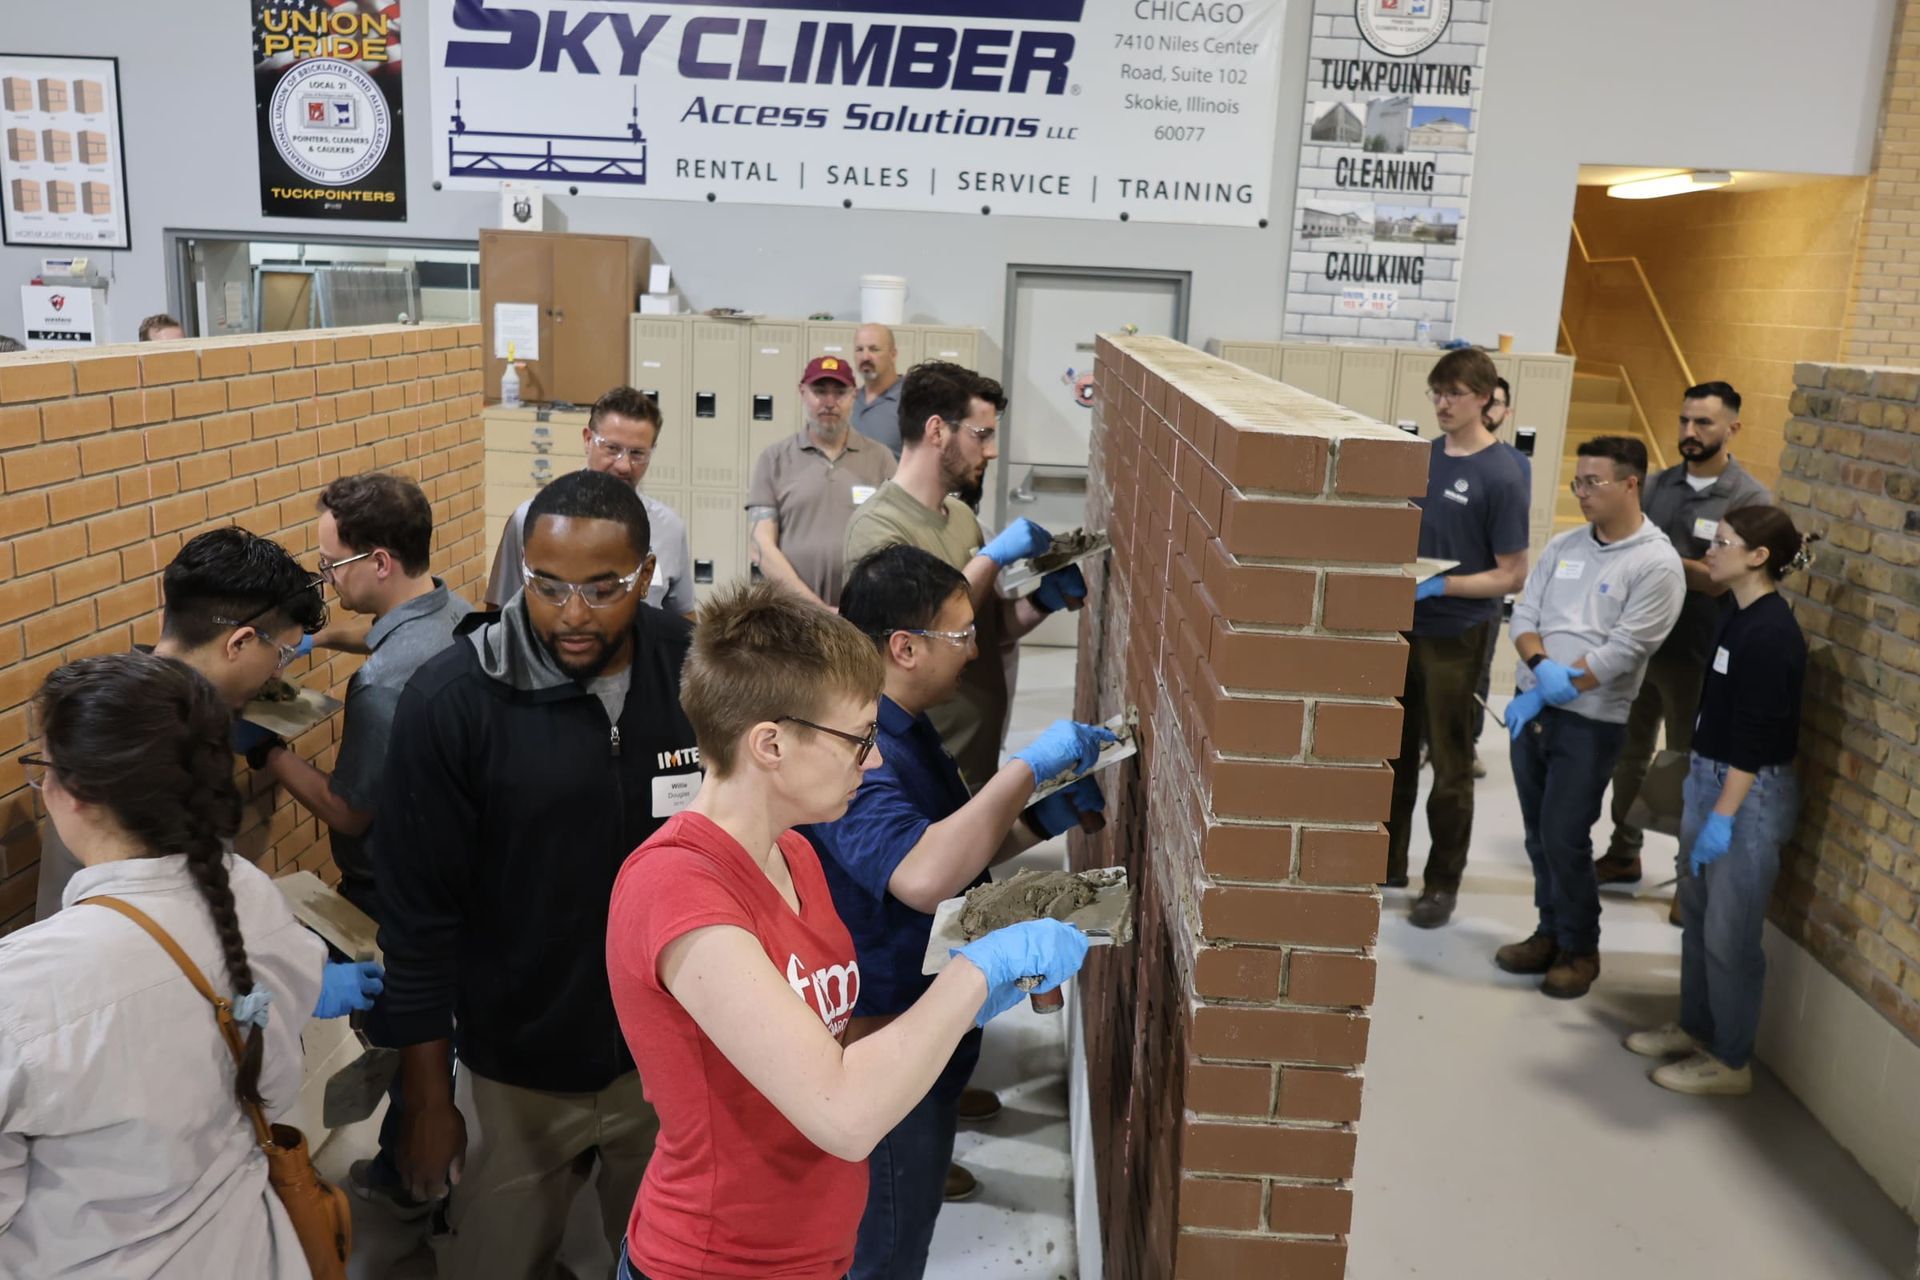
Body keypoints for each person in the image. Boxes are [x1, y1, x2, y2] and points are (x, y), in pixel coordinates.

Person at [604, 581, 1090, 1280]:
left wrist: (959, 1002)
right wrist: (973, 975)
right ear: (770, 743)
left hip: (813, 1251)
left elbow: (834, 1032)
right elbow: (843, 1112)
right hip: (718, 1264)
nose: (873, 761)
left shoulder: (796, 851)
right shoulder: (677, 890)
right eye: (858, 740)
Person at [373, 468, 701, 1280]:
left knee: (668, 1259)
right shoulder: (452, 702)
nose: (574, 614)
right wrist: (426, 1099)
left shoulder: (696, 674)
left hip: (669, 1057)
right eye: (548, 586)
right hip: (515, 1070)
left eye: (603, 588)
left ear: (648, 576)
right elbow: (418, 919)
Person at [806, 546, 1111, 1278]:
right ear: (903, 648)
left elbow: (946, 842)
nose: (976, 650)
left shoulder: (905, 723)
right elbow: (920, 874)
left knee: (909, 1219)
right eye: (961, 634)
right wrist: (1026, 770)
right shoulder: (857, 746)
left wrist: (1039, 822)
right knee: (884, 1244)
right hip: (879, 1038)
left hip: (924, 1019)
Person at [0, 652, 331, 1277]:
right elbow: (279, 1081)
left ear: (77, 792)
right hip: (251, 1251)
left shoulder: (22, 989)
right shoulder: (253, 894)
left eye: (40, 767)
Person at [32, 526, 329, 920]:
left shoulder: (132, 706)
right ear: (238, 643)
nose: (278, 673)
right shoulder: (166, 747)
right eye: (282, 654)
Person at [1625, 508, 1813, 1095]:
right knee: (1699, 918)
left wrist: (1722, 818)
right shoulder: (1735, 612)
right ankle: (1696, 1027)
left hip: (1745, 796)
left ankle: (1731, 1059)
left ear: (1759, 556)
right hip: (1711, 779)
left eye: (1725, 543)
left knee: (1731, 936)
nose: (1712, 550)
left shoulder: (1772, 633)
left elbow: (1755, 741)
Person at [1496, 436, 1685, 999]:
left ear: (1631, 484)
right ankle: (1548, 932)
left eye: (1592, 482)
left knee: (1565, 836)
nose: (1581, 492)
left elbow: (1623, 651)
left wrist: (1551, 688)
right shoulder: (1564, 546)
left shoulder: (1656, 564)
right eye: (1577, 482)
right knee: (1536, 835)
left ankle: (1581, 948)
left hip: (1590, 721)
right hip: (1535, 713)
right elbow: (1523, 614)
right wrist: (1537, 667)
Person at [844, 360, 1084, 792]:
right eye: (981, 435)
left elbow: (990, 632)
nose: (991, 451)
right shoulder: (878, 529)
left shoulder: (961, 518)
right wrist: (991, 557)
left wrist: (1042, 601)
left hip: (976, 755)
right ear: (937, 431)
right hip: (922, 768)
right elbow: (926, 629)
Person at [254, 474, 471, 916]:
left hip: (395, 897)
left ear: (379, 563)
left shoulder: (382, 684)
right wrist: (319, 640)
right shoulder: (457, 612)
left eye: (331, 564)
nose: (328, 578)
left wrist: (268, 752)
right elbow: (389, 635)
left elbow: (349, 813)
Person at [1599, 382, 1771, 904]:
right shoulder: (1656, 484)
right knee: (1627, 753)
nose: (1690, 433)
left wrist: (1656, 560)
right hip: (1641, 644)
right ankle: (1623, 850)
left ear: (1732, 429)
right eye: (1684, 421)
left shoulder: (1747, 498)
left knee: (1688, 764)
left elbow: (1722, 580)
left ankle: (1686, 877)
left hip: (1698, 655)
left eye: (1704, 424)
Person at [1389, 350, 1532, 927]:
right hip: (1403, 628)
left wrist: (1443, 588)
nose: (1443, 404)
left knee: (1449, 764)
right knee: (1392, 757)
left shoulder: (1502, 474)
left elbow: (1512, 574)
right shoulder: (1420, 459)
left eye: (1454, 394)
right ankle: (1388, 863)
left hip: (1456, 633)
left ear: (1483, 397)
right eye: (1437, 394)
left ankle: (1441, 882)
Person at [487, 385, 696, 618]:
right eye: (612, 448)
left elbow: (684, 624)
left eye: (637, 454)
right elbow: (499, 617)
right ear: (588, 439)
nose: (623, 465)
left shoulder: (669, 529)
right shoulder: (530, 521)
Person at [748, 354, 897, 608]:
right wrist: (817, 609)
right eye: (819, 391)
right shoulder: (774, 459)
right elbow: (759, 544)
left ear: (854, 395)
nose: (829, 403)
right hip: (793, 614)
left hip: (860, 614)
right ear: (802, 392)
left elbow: (896, 541)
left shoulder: (880, 458)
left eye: (839, 392)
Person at [1468, 375, 1523, 774]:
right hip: (1436, 589)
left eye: (1496, 403)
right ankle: (1419, 742)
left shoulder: (1515, 466)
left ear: (1507, 412)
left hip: (1485, 588)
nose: (1489, 411)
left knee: (1478, 668)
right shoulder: (1440, 455)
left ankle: (1467, 743)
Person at [852, 323, 905, 457]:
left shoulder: (911, 400)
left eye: (874, 349)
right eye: (859, 349)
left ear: (893, 354)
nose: (865, 357)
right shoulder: (849, 401)